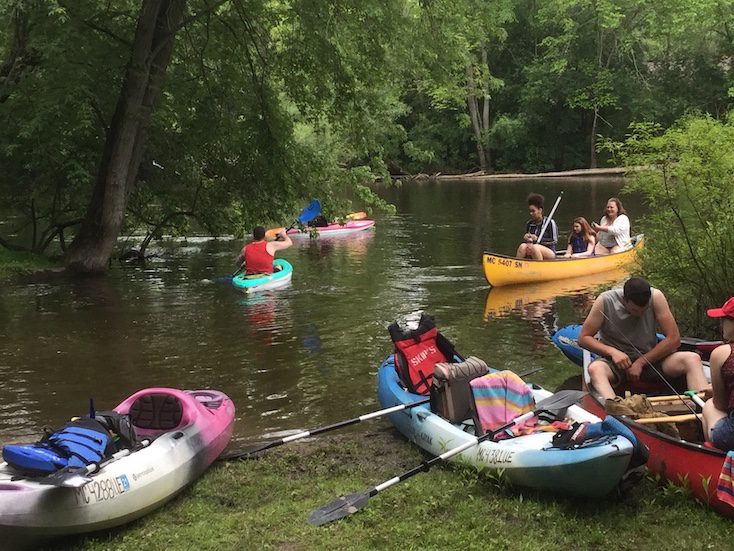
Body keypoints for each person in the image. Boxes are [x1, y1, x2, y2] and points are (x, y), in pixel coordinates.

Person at [578, 277, 710, 400]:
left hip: (650, 360)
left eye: (644, 310)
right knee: (595, 369)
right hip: (616, 364)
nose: (640, 314)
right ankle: (615, 409)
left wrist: (641, 362)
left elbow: (674, 339)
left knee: (692, 359)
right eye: (635, 310)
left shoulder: (656, 297)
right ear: (625, 299)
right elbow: (584, 338)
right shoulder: (605, 301)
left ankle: (702, 405)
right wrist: (613, 352)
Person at [702, 297, 734, 450]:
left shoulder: (721, 353)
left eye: (724, 319)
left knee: (709, 406)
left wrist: (715, 393)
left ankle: (715, 458)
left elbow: (720, 404)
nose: (721, 324)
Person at [515, 193, 558, 260]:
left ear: (540, 210)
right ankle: (517, 266)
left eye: (533, 211)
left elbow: (554, 241)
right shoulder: (529, 224)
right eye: (530, 211)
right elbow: (529, 242)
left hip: (549, 251)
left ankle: (539, 268)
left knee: (535, 247)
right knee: (522, 246)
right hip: (532, 249)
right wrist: (527, 238)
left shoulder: (550, 222)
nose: (531, 213)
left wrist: (538, 239)